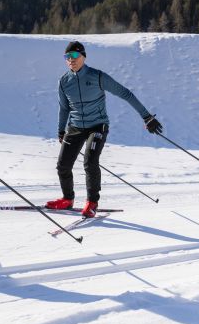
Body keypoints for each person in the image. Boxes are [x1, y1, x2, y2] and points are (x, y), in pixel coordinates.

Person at [47, 40, 162, 217]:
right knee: (63, 165)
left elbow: (125, 93)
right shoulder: (64, 82)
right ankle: (67, 199)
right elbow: (64, 108)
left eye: (75, 55)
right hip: (75, 126)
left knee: (90, 162)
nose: (71, 59)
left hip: (97, 126)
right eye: (68, 56)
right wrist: (61, 130)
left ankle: (92, 202)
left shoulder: (97, 76)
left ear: (84, 56)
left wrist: (147, 117)